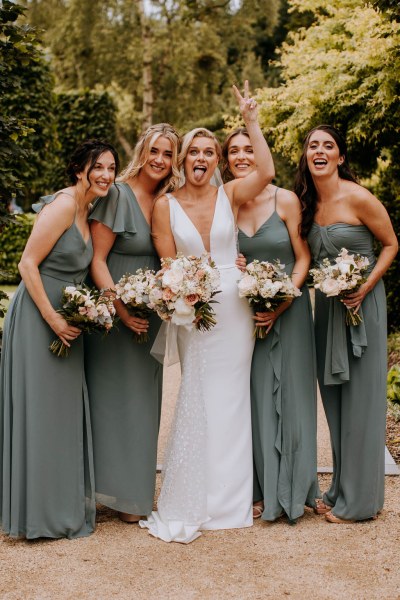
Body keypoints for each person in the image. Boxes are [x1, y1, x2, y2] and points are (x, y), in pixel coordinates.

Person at [139, 81, 275, 543]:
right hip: (194, 310)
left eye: (209, 152)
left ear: (217, 161)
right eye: (194, 152)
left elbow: (267, 170)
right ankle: (194, 495)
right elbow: (167, 265)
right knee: (199, 393)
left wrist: (252, 122)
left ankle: (231, 502)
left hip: (235, 308)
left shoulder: (231, 195)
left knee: (233, 397)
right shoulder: (165, 205)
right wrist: (183, 294)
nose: (201, 159)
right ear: (183, 160)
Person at [0, 139, 119, 539]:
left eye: (111, 168)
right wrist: (52, 319)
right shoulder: (65, 204)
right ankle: (34, 515)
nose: (105, 175)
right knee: (40, 412)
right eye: (98, 167)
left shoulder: (89, 209)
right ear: (78, 170)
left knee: (62, 414)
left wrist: (96, 309)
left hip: (69, 321)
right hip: (39, 319)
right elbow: (27, 264)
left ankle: (58, 508)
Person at [295, 124, 398, 523]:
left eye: (329, 146)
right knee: (335, 403)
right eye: (313, 146)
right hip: (328, 313)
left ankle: (360, 504)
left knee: (361, 403)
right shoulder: (306, 204)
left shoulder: (359, 198)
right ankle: (340, 489)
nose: (320, 151)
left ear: (340, 157)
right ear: (307, 157)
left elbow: (390, 244)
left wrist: (365, 286)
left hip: (362, 308)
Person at [221, 127, 320, 523]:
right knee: (258, 401)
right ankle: (261, 490)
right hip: (246, 315)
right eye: (234, 152)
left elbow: (302, 259)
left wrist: (282, 300)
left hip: (289, 310)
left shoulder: (287, 199)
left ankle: (298, 489)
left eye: (249, 149)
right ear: (226, 161)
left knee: (294, 400)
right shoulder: (225, 203)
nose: (242, 156)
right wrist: (234, 266)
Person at [85, 124, 181, 523]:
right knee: (107, 402)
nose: (160, 159)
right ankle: (101, 490)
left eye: (168, 154)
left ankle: (133, 496)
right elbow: (97, 260)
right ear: (143, 151)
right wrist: (121, 310)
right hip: (114, 318)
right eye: (154, 150)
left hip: (150, 318)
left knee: (143, 404)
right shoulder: (118, 195)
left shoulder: (169, 201)